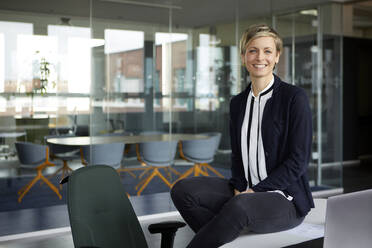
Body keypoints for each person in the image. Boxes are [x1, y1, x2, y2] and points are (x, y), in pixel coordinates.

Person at [171, 23, 314, 248]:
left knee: (240, 207)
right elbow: (237, 156)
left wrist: (254, 191)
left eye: (267, 51)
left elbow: (298, 161)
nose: (260, 57)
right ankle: (225, 240)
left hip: (283, 198)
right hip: (244, 190)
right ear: (243, 56)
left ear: (277, 56)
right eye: (253, 50)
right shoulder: (238, 103)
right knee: (183, 191)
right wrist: (240, 187)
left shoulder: (294, 98)